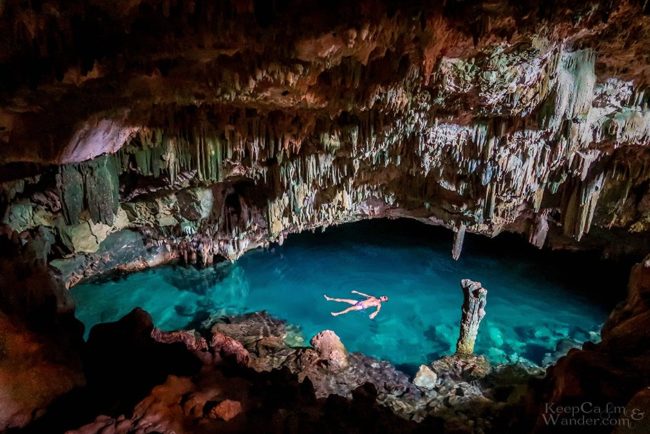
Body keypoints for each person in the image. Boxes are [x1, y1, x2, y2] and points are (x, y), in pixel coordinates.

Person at [323, 290, 389, 319]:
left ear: (384, 300)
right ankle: (329, 299)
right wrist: (356, 292)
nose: (383, 296)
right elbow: (365, 295)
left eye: (384, 297)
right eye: (384, 296)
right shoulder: (373, 297)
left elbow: (377, 311)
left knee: (349, 309)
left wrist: (373, 315)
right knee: (343, 299)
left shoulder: (379, 304)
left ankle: (337, 314)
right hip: (359, 302)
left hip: (361, 307)